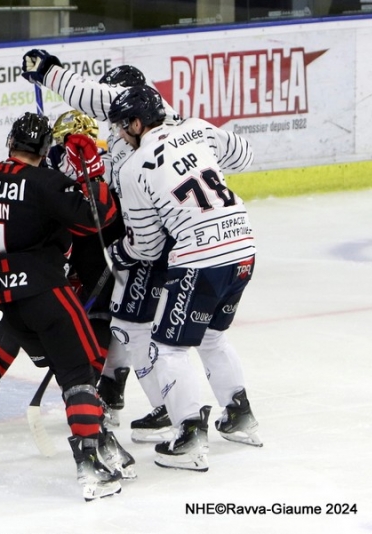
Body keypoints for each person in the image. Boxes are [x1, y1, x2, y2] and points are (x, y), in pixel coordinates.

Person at [0, 112, 130, 501]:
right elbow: (100, 216)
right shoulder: (46, 182)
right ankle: (90, 463)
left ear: (10, 142)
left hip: (2, 298)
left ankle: (103, 443)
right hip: (45, 293)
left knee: (65, 364)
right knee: (80, 373)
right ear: (45, 149)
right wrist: (90, 169)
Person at [20, 55, 181, 438]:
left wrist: (49, 73)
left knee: (132, 327)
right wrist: (80, 167)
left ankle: (167, 408)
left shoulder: (145, 135)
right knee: (125, 325)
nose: (116, 124)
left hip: (153, 244)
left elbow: (118, 185)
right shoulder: (150, 132)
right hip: (153, 239)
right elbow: (109, 177)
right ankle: (122, 394)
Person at [106, 85, 261, 471]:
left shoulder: (132, 167)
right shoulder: (196, 127)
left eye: (123, 127)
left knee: (168, 348)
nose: (120, 134)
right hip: (243, 246)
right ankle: (239, 415)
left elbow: (148, 245)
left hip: (201, 258)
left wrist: (118, 253)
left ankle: (190, 434)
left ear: (138, 123)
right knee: (212, 336)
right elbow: (244, 153)